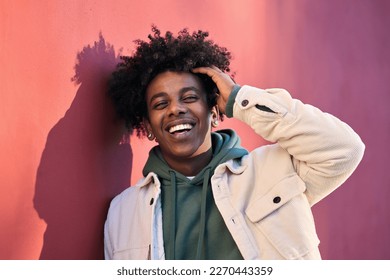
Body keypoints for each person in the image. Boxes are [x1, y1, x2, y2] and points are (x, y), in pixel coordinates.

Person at [104, 26, 365, 260]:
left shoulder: (274, 171)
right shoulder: (123, 212)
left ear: (215, 112)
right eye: (161, 104)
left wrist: (238, 98)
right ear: (148, 126)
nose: (176, 109)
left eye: (190, 97)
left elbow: (344, 149)